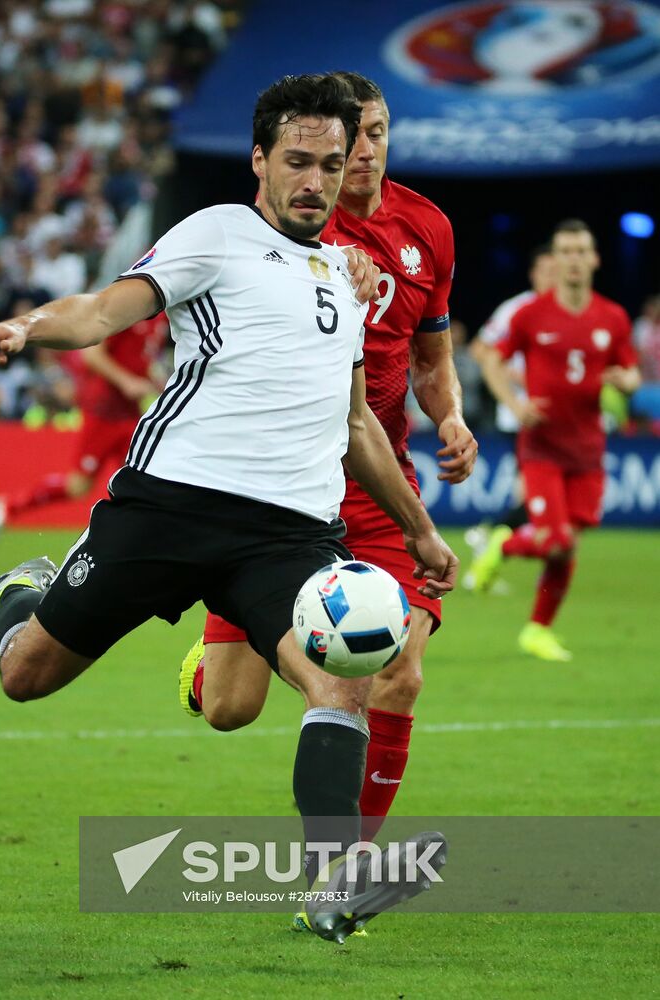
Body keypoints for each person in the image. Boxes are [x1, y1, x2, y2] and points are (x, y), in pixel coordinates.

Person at [0, 74, 458, 943]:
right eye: (297, 161)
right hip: (168, 509)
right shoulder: (215, 235)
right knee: (26, 676)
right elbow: (106, 308)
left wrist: (418, 529)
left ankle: (331, 884)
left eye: (330, 164)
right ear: (259, 161)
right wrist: (30, 327)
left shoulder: (345, 279)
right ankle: (18, 598)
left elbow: (357, 421)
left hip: (289, 535)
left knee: (343, 677)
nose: (315, 180)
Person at [178, 72, 477, 872]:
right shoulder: (284, 230)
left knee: (398, 676)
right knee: (229, 710)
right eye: (355, 139)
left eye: (378, 133)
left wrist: (448, 413)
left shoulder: (428, 230)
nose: (366, 152)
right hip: (280, 480)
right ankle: (209, 670)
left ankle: (343, 874)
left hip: (380, 484)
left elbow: (432, 356)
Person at [472, 219, 640, 661]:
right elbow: (490, 360)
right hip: (541, 447)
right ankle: (504, 545)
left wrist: (626, 380)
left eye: (581, 251)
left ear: (595, 259)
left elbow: (630, 371)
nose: (573, 259)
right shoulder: (531, 315)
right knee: (558, 540)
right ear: (555, 260)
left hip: (588, 451)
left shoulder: (613, 317)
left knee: (566, 545)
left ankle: (537, 630)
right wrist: (515, 401)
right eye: (565, 251)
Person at [0, 313, 168, 542]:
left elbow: (140, 360)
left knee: (140, 482)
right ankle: (9, 506)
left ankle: (140, 542)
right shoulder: (131, 311)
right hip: (104, 412)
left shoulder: (161, 319)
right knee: (79, 485)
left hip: (131, 414)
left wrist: (159, 382)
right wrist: (126, 381)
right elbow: (92, 355)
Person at [464, 245, 556, 590]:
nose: (552, 277)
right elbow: (479, 349)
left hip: (556, 422)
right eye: (545, 270)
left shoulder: (566, 311)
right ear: (534, 274)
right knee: (535, 498)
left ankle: (491, 555)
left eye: (556, 270)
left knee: (533, 499)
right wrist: (519, 377)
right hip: (520, 418)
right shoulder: (517, 309)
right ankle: (490, 542)